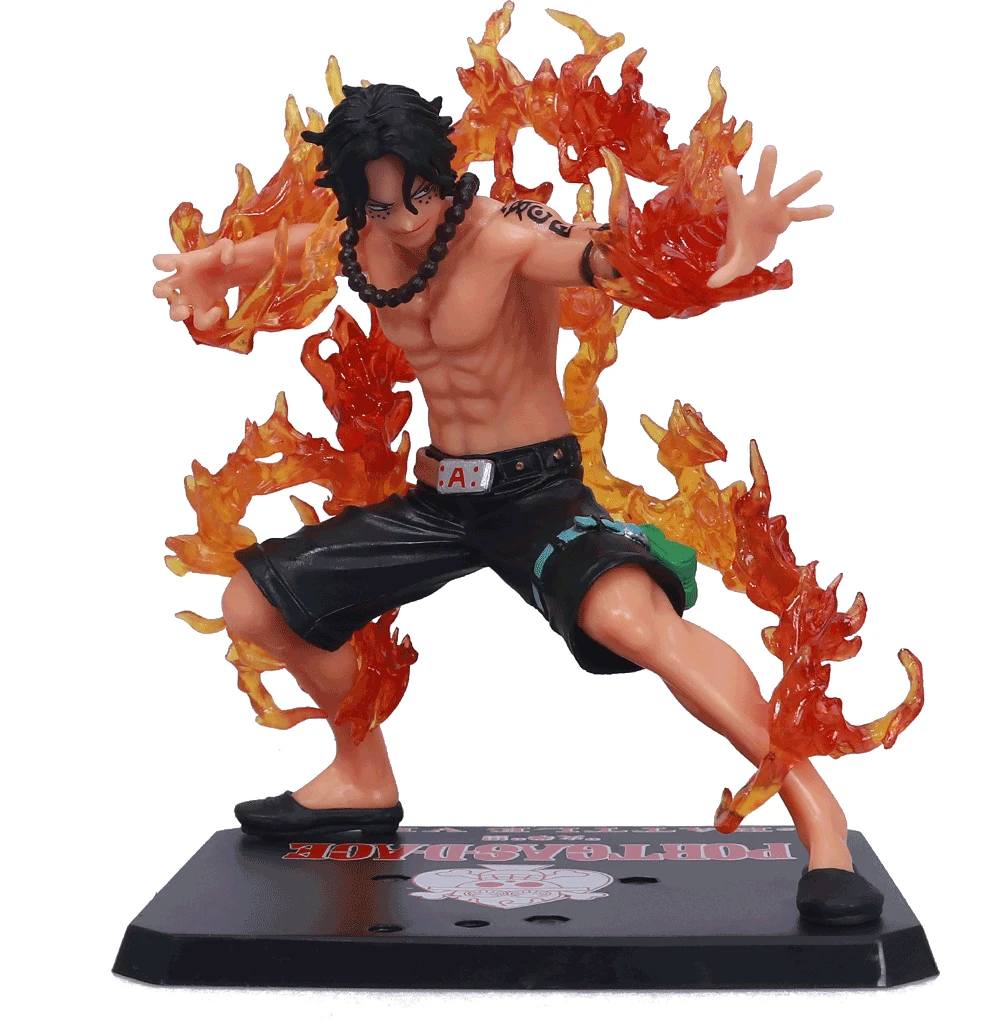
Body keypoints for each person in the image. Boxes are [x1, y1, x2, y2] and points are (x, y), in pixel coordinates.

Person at [153, 83, 879, 924]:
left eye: (418, 196)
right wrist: (212, 265)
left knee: (632, 622)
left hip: (535, 493)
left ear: (441, 172)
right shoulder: (361, 240)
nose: (404, 220)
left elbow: (605, 256)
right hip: (439, 499)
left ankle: (822, 820)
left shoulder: (506, 233)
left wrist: (725, 241)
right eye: (381, 206)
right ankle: (361, 775)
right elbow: (289, 250)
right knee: (253, 603)